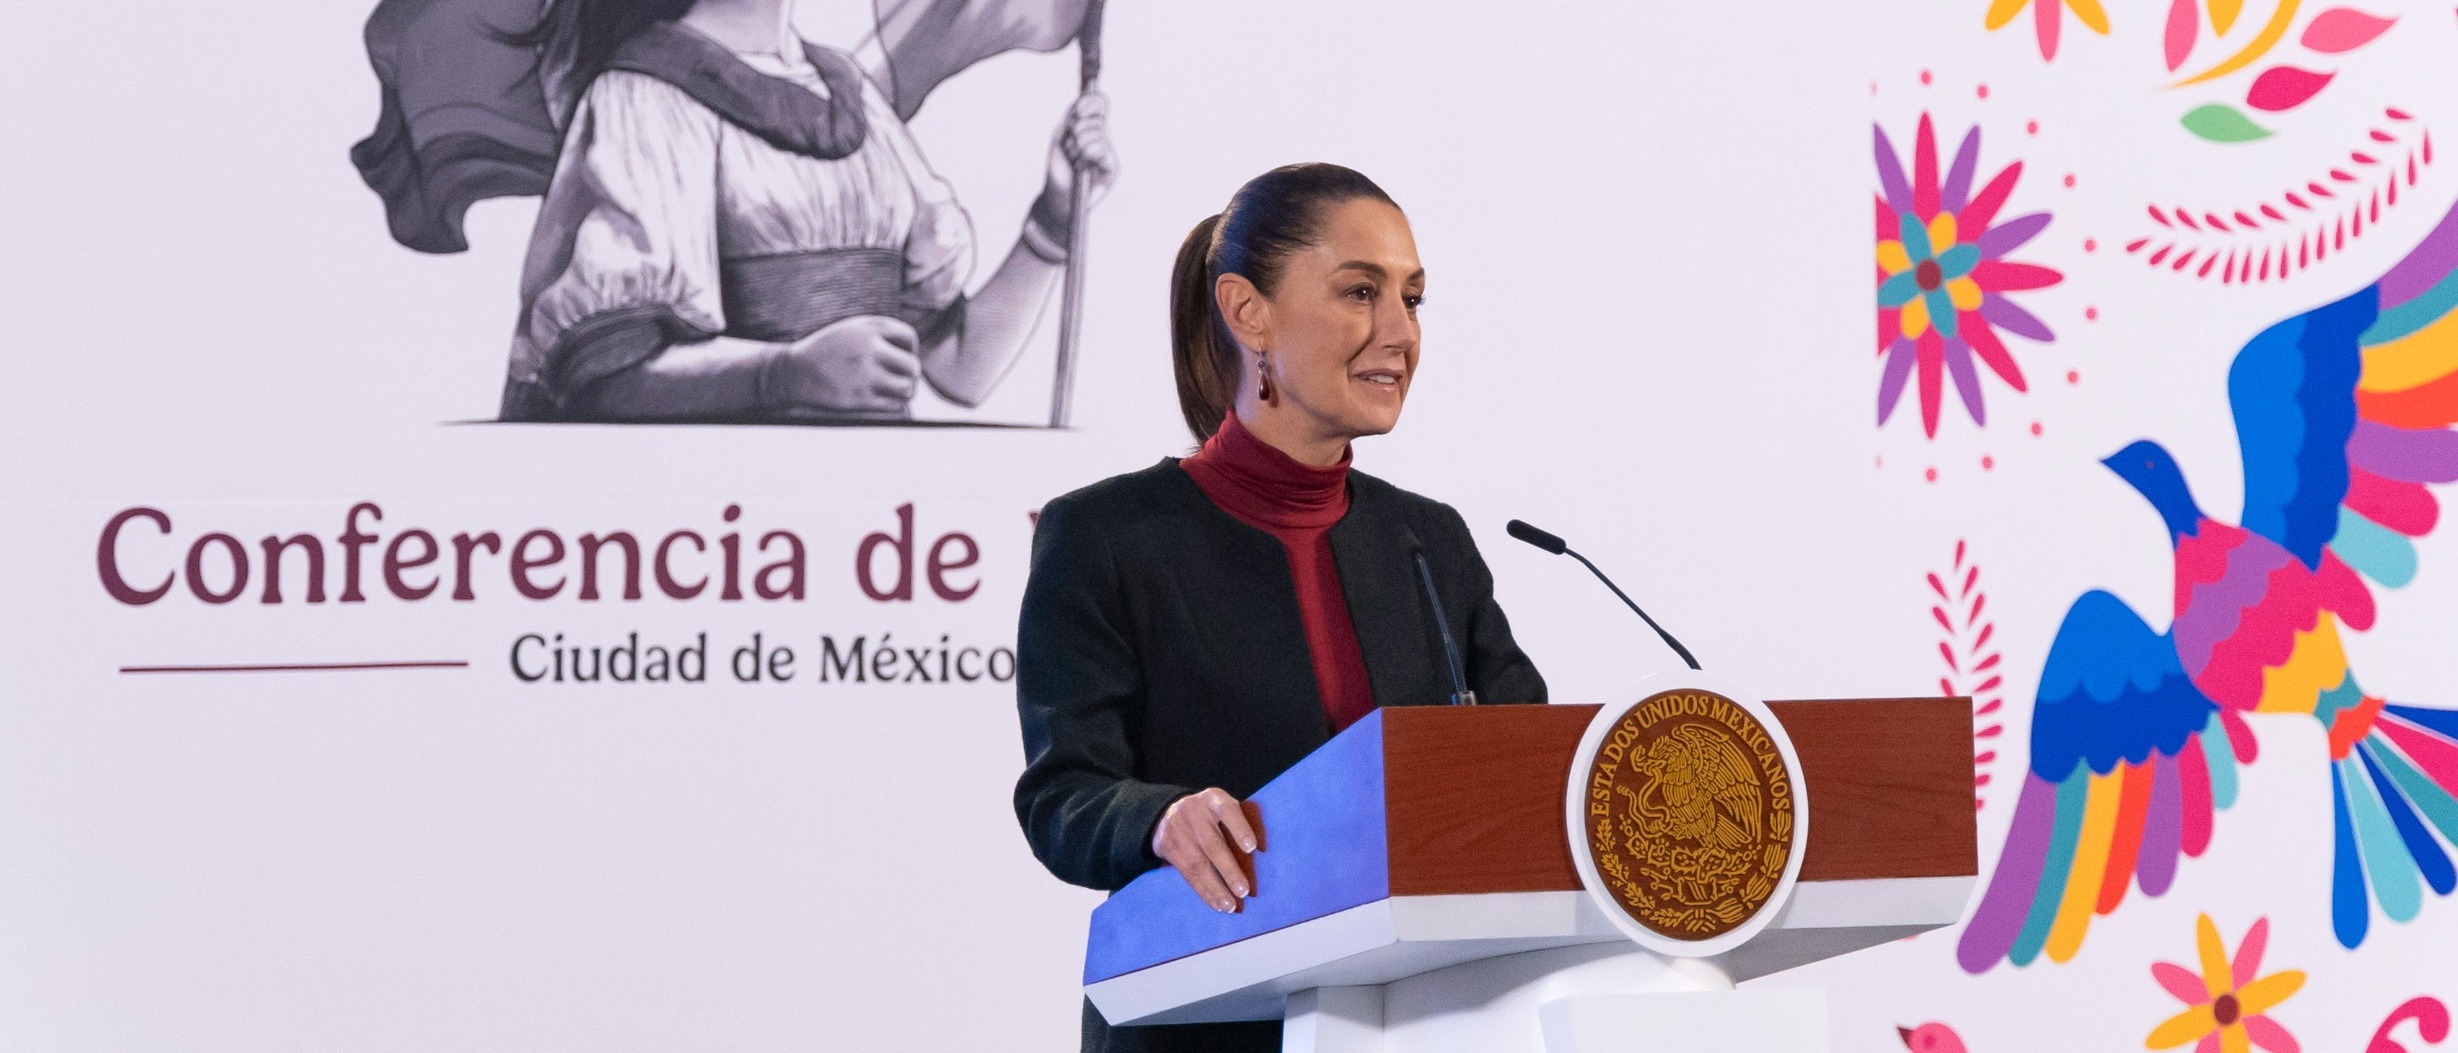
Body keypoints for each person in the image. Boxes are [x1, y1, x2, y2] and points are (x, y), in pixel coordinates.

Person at [1012, 163, 1548, 1053]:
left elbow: (1527, 768)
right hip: (1201, 1022)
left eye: (1412, 299)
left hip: (1420, 1023)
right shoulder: (1104, 536)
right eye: (1359, 292)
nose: (1398, 332)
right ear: (1247, 311)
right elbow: (1064, 795)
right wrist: (1159, 816)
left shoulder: (1431, 543)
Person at [494, 0, 1116, 421]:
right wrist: (786, 374)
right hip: (724, 538)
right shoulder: (644, 96)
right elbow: (602, 380)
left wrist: (1055, 221)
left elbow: (959, 368)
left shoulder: (854, 97)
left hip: (880, 529)